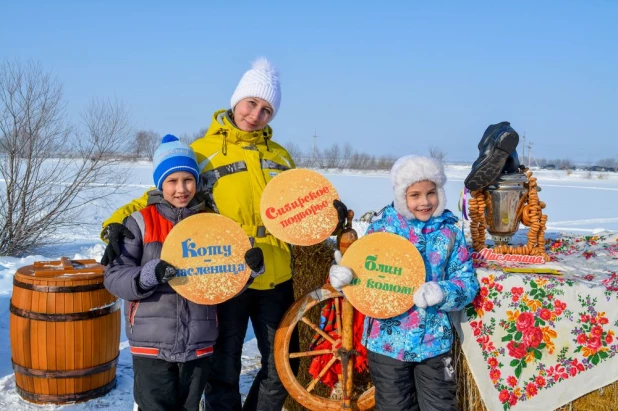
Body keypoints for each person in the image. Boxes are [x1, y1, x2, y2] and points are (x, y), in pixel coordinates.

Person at [100, 58, 347, 411]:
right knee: (223, 371)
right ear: (236, 100)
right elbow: (159, 194)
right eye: (252, 103)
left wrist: (330, 215)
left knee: (283, 367)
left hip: (275, 275)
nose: (256, 114)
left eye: (266, 110)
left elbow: (302, 206)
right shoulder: (203, 152)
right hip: (224, 273)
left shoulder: (280, 156)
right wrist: (114, 225)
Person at [104, 134, 265, 411]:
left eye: (188, 179)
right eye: (172, 181)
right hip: (151, 343)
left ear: (197, 181)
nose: (181, 189)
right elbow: (114, 276)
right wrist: (146, 277)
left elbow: (221, 282)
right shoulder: (140, 222)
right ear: (160, 184)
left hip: (199, 343)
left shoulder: (211, 225)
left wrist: (247, 272)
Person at [329, 155, 479, 411]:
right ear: (401, 197)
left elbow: (466, 282)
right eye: (415, 195)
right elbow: (364, 274)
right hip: (387, 343)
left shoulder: (450, 232)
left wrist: (442, 292)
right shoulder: (382, 229)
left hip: (434, 344)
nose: (424, 202)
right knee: (394, 406)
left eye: (431, 193)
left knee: (440, 406)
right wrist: (346, 278)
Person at [464, 121, 521, 191]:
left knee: (485, 161)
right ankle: (512, 163)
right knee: (510, 164)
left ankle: (490, 148)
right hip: (511, 170)